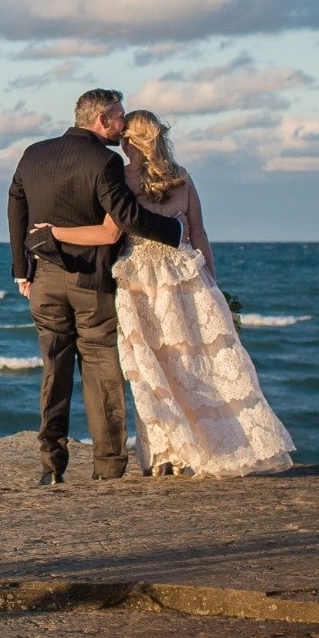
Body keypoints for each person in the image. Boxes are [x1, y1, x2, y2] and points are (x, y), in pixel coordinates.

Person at [47, 109, 293, 479]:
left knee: (152, 371)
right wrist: (214, 285)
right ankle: (210, 450)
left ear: (128, 141)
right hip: (186, 278)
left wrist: (55, 232)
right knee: (195, 365)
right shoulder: (181, 176)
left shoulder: (123, 179)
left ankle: (166, 455)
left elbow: (108, 233)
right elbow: (199, 233)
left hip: (141, 282)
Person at [8, 88, 183, 486]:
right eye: (119, 116)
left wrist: (22, 268)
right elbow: (126, 216)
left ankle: (51, 467)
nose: (123, 125)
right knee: (103, 371)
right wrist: (176, 230)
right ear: (101, 119)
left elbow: (15, 204)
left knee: (54, 370)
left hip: (45, 279)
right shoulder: (105, 161)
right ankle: (107, 468)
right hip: (92, 280)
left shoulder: (33, 153)